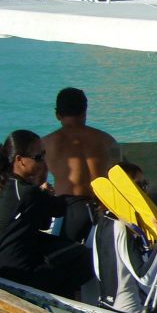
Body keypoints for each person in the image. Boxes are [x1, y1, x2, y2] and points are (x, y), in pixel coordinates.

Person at [0, 130, 93, 297]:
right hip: (20, 271)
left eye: (44, 155)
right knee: (85, 257)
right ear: (20, 160)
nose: (44, 161)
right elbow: (60, 208)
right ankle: (66, 305)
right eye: (38, 158)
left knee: (60, 248)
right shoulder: (28, 193)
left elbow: (42, 223)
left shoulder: (4, 185)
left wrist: (40, 191)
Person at [92, 162, 157, 313]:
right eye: (140, 185)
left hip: (108, 306)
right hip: (128, 312)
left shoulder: (103, 222)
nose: (144, 191)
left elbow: (108, 273)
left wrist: (149, 303)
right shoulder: (122, 227)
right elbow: (144, 277)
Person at [42, 87, 119, 243]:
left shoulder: (46, 143)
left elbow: (36, 181)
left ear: (57, 114)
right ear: (85, 111)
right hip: (102, 208)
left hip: (69, 210)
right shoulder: (107, 140)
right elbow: (121, 177)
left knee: (65, 260)